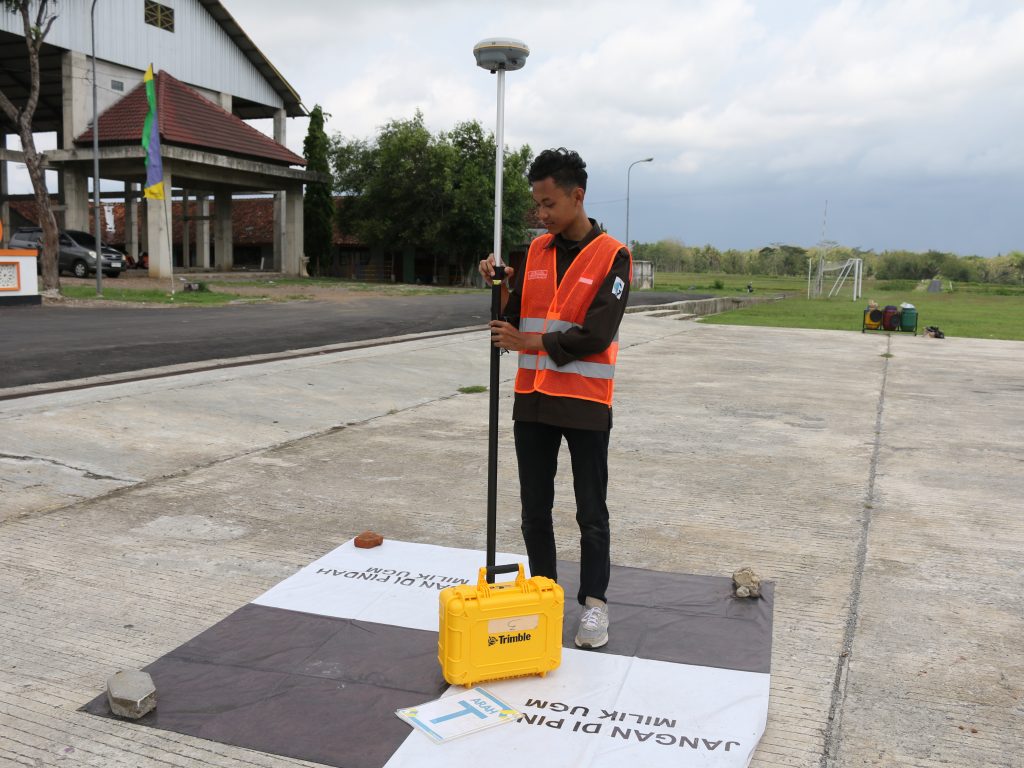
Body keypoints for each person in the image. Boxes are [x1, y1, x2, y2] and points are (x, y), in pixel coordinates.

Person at [479, 147, 631, 649]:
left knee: (590, 510)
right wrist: (498, 289)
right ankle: (544, 595)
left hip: (586, 404)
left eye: (548, 205)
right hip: (533, 402)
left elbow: (598, 333)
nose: (540, 215)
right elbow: (515, 321)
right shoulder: (536, 253)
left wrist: (533, 343)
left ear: (577, 196)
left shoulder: (614, 256)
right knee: (533, 509)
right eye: (536, 206)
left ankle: (594, 605)